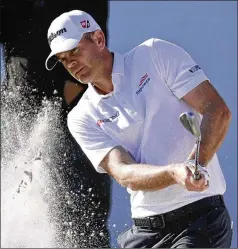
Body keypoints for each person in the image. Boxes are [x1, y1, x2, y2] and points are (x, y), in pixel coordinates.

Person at [45, 9, 233, 248]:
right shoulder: (81, 116)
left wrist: (198, 160)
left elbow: (216, 111)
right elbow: (124, 172)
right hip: (145, 230)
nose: (71, 63)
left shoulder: (155, 53)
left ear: (99, 39)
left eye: (75, 50)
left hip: (200, 220)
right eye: (63, 59)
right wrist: (174, 173)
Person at [1, 1, 111, 247]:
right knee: (21, 204)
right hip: (22, 111)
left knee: (82, 215)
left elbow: (91, 31)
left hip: (77, 114)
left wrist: (71, 96)